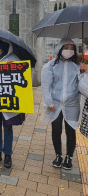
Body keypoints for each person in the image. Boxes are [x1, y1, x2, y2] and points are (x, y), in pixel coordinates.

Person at [41, 38, 82, 170]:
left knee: (71, 131)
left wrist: (83, 72)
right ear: (60, 48)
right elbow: (46, 85)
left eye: (71, 48)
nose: (68, 51)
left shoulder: (77, 66)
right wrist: (48, 102)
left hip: (72, 104)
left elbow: (82, 85)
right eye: (66, 47)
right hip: (56, 103)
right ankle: (58, 155)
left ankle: (69, 157)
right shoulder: (51, 65)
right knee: (56, 130)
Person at [0, 38, 21, 169]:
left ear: (4, 48)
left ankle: (7, 154)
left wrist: (13, 68)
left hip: (7, 100)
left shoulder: (13, 59)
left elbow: (21, 76)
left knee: (7, 128)